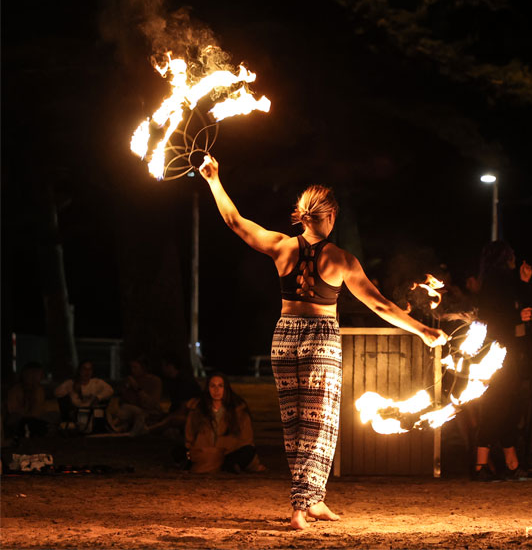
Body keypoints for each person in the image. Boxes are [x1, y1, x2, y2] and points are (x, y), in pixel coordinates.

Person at [199, 154, 447, 530]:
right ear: (330, 216)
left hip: (284, 336)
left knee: (295, 423)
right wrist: (423, 331)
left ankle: (314, 500)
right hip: (320, 341)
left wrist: (214, 179)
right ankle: (300, 506)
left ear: (301, 216)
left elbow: (234, 221)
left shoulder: (280, 246)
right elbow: (379, 304)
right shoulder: (342, 259)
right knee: (318, 424)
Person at [469, 241, 532, 480]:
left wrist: (525, 283)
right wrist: (518, 315)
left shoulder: (500, 280)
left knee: (508, 404)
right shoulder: (498, 280)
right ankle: (482, 464)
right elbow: (492, 315)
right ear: (504, 257)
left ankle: (510, 462)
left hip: (506, 350)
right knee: (499, 404)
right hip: (499, 351)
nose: (515, 258)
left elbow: (518, 304)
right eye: (512, 254)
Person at [185, 373, 265, 474]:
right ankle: (221, 465)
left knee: (247, 451)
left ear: (226, 388)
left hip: (229, 452)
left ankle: (227, 464)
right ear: (208, 388)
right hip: (205, 452)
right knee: (180, 451)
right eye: (213, 386)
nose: (216, 390)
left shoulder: (237, 410)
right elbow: (189, 436)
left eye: (220, 386)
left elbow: (247, 440)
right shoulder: (198, 409)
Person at [54, 360, 114, 433]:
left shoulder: (96, 382)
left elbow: (110, 390)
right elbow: (57, 393)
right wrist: (73, 386)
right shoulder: (70, 383)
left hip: (93, 414)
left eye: (90, 369)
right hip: (77, 415)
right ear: (79, 370)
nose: (87, 372)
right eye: (84, 369)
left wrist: (98, 397)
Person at [107, 358, 163, 435]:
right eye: (131, 367)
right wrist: (125, 390)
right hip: (132, 411)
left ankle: (131, 433)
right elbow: (124, 401)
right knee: (124, 409)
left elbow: (151, 403)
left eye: (135, 367)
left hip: (148, 412)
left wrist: (137, 388)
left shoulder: (154, 381)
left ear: (143, 368)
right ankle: (115, 427)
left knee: (132, 411)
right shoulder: (130, 380)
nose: (133, 370)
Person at [149, 356, 201, 435]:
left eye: (163, 366)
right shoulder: (173, 381)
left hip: (191, 415)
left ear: (170, 366)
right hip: (179, 413)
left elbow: (184, 408)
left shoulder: (185, 381)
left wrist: (166, 419)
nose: (162, 369)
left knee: (169, 422)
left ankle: (147, 430)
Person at [5, 362, 48, 440]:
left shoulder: (39, 390)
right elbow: (13, 410)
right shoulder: (16, 390)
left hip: (34, 420)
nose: (41, 377)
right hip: (20, 421)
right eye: (39, 374)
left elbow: (38, 410)